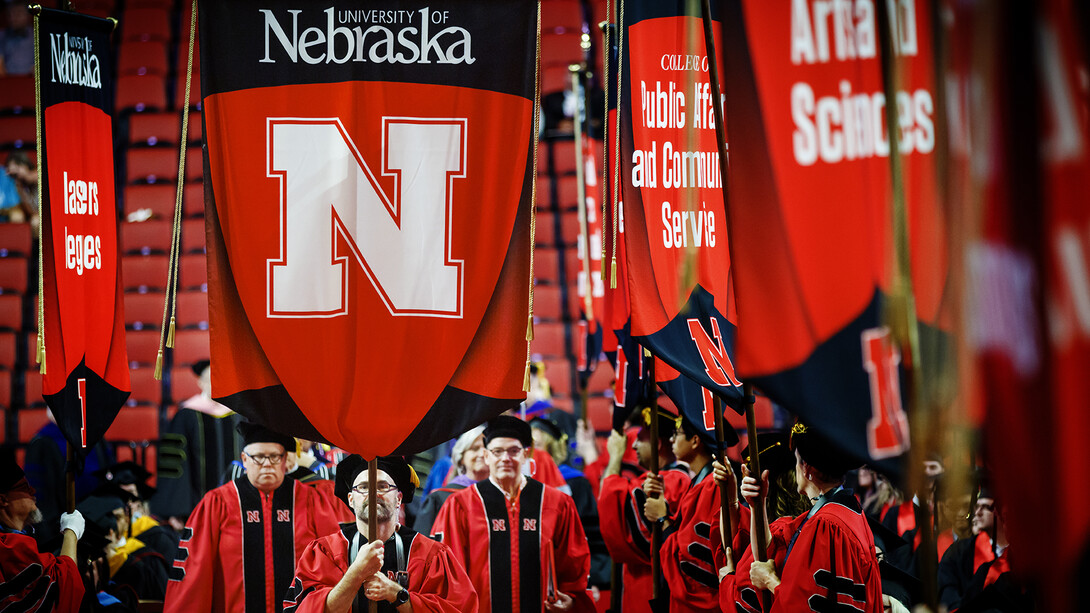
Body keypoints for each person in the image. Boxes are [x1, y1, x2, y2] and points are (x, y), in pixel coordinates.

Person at [163, 421, 342, 613]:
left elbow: (330, 567)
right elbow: (194, 573)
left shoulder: (311, 501)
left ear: (285, 460)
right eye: (258, 457)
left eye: (274, 457)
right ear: (244, 459)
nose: (266, 464)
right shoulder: (217, 503)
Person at [431, 415, 595, 613]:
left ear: (526, 455)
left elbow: (574, 565)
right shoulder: (460, 505)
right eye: (497, 451)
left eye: (514, 451)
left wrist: (572, 599)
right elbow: (448, 572)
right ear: (486, 455)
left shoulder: (556, 503)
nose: (505, 458)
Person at [283, 455, 478, 612]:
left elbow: (459, 608)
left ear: (399, 498)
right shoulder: (324, 552)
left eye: (383, 486)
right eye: (364, 487)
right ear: (350, 499)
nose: (374, 493)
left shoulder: (431, 554)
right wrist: (355, 574)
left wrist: (397, 594)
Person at [743, 422, 883, 612]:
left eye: (796, 460)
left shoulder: (825, 525)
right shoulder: (847, 512)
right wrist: (757, 505)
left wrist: (770, 581)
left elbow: (808, 606)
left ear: (806, 468)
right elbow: (770, 549)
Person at [597, 408, 691, 612]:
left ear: (656, 444)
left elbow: (612, 504)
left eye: (640, 439)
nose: (634, 445)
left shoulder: (673, 481)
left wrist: (615, 458)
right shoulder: (664, 479)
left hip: (652, 589)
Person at [651, 416, 730, 612]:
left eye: (676, 435)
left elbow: (693, 562)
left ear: (695, 441)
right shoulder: (699, 485)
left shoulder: (711, 488)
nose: (671, 440)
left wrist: (663, 519)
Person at [153, 359, 242, 531]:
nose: (215, 384)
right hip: (196, 504)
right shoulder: (186, 415)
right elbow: (174, 464)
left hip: (237, 506)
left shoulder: (238, 414)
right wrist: (177, 509)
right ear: (200, 383)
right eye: (210, 379)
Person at [0, 452, 86, 611]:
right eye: (24, 488)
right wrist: (71, 532)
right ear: (3, 500)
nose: (32, 492)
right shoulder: (8, 546)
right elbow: (63, 587)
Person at [412, 425, 487, 535]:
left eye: (487, 449)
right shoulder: (440, 499)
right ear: (461, 458)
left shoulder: (501, 496)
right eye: (474, 449)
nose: (482, 454)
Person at [0, 2, 33, 77]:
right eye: (10, 14)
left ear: (28, 15)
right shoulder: (2, 35)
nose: (13, 18)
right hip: (8, 82)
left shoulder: (37, 35)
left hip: (31, 81)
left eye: (18, 13)